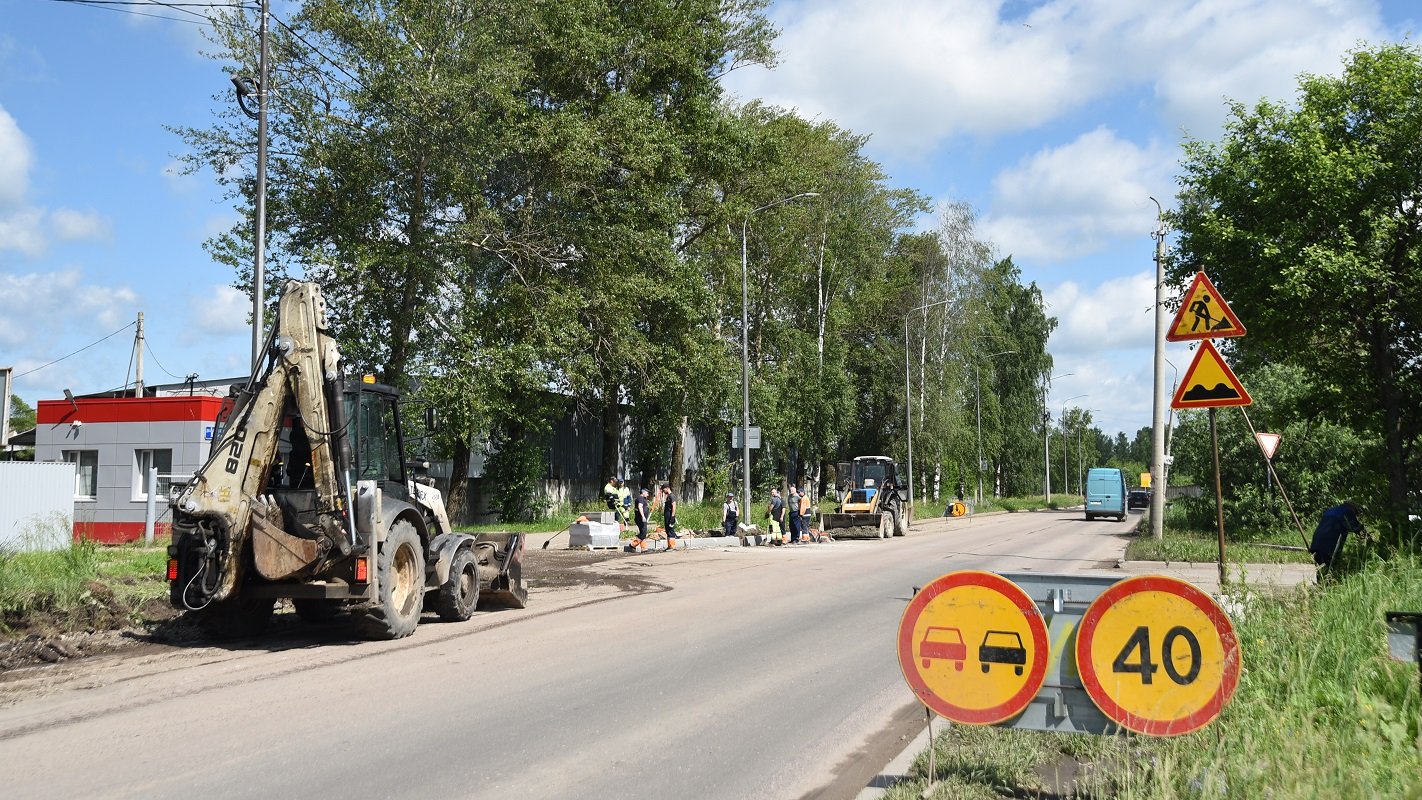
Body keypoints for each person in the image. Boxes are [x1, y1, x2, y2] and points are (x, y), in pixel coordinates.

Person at [1309, 501, 1365, 571]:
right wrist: (1368, 539)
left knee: (1322, 568)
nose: (1355, 515)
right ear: (1353, 509)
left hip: (1316, 543)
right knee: (1331, 567)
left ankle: (1322, 580)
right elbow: (1356, 528)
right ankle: (1327, 580)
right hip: (1329, 545)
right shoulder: (1347, 511)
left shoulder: (1331, 510)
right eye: (1356, 513)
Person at [660, 484, 679, 550]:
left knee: (670, 530)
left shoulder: (671, 496)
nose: (663, 491)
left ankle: (672, 546)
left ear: (667, 488)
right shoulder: (668, 496)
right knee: (667, 530)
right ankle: (669, 546)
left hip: (670, 515)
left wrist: (672, 517)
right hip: (667, 515)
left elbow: (674, 506)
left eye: (663, 489)